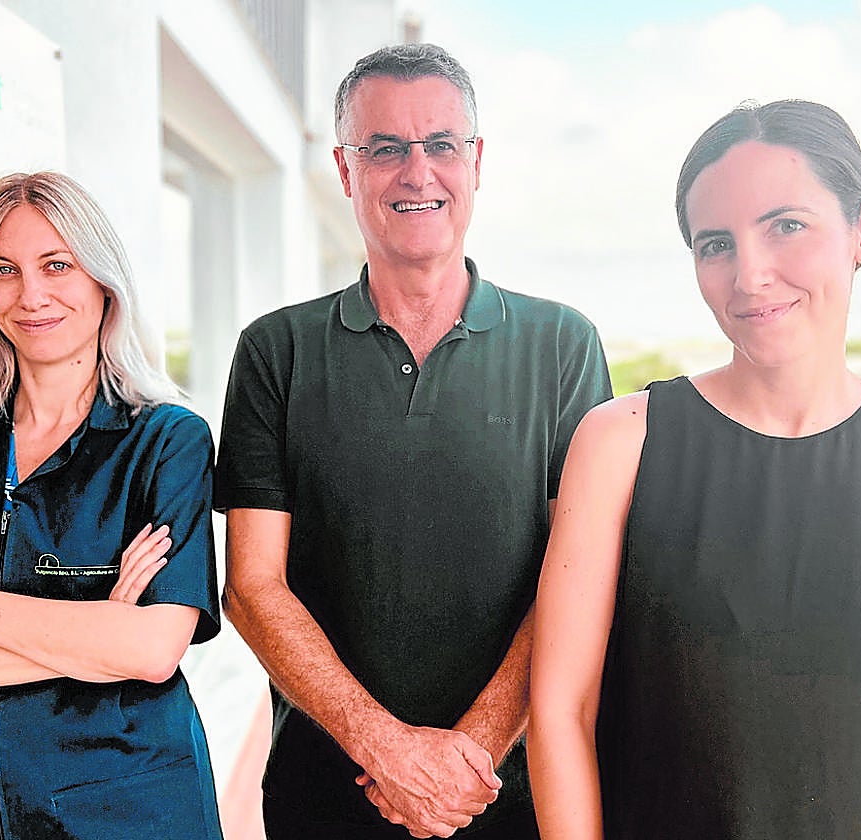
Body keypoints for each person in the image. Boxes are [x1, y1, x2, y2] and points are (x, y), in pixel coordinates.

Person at [527, 100, 861, 839]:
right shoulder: (622, 444)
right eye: (716, 244)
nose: (750, 274)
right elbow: (561, 711)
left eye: (786, 226)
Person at [216, 43, 612, 839]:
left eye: (440, 145)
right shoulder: (276, 353)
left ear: (476, 161)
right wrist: (387, 749)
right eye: (385, 148)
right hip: (326, 798)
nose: (416, 171)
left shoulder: (562, 345)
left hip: (515, 800)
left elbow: (580, 581)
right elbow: (252, 589)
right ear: (345, 168)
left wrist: (470, 757)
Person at [0, 172, 223, 839]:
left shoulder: (167, 440)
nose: (32, 295)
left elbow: (151, 650)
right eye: (4, 270)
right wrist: (91, 639)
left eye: (57, 264)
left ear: (102, 281)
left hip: (127, 805)